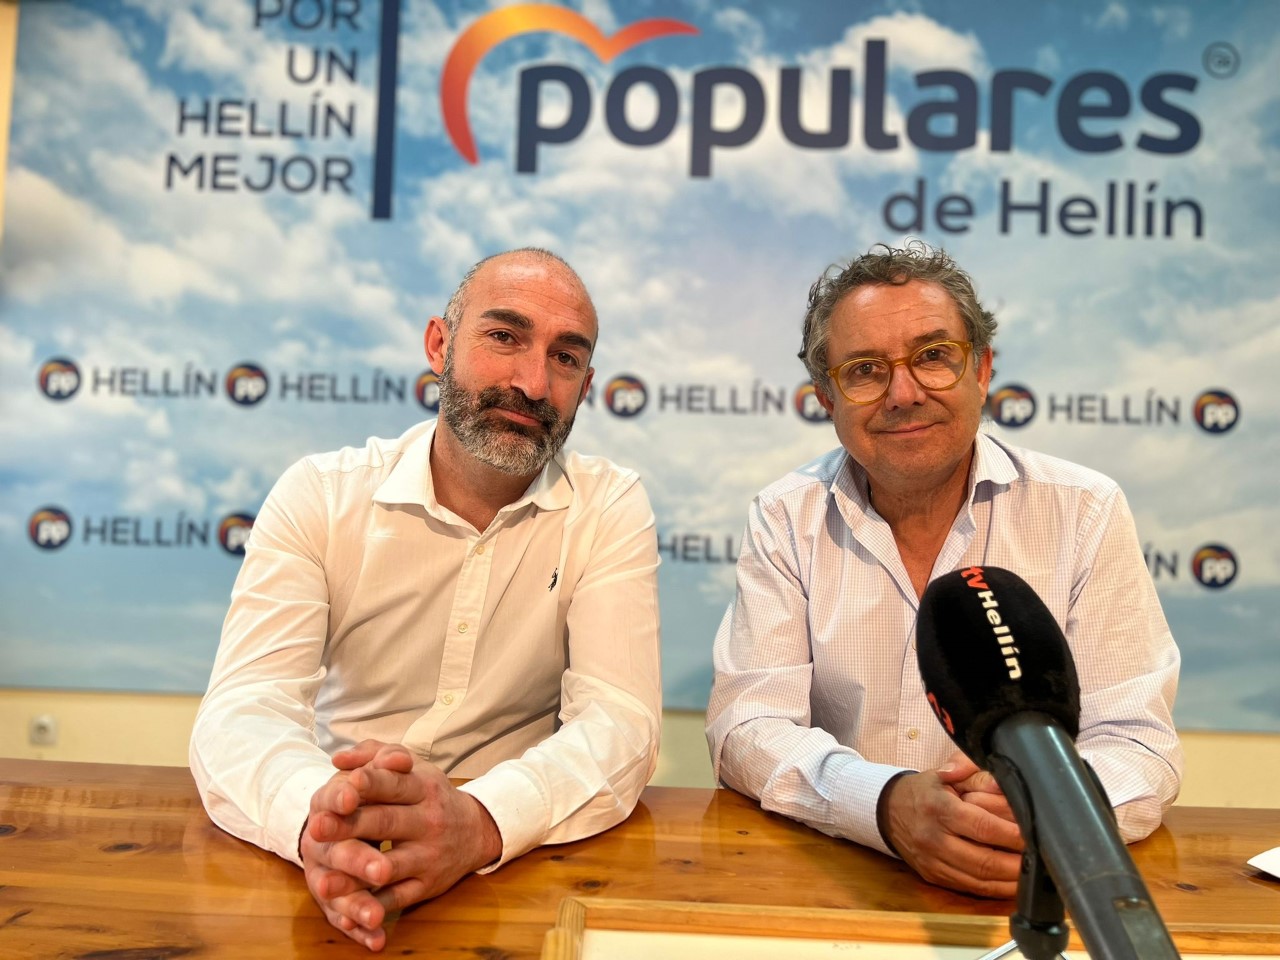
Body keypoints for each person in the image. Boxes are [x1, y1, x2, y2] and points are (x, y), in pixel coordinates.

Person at [191, 248, 661, 951]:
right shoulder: (320, 495)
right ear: (439, 345)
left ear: (586, 385)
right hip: (331, 844)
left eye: (565, 358)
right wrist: (322, 824)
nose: (532, 382)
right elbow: (242, 709)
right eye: (503, 336)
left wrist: (480, 821)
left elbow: (620, 722)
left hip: (512, 868)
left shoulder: (609, 507)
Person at [705, 241, 1182, 899]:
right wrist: (883, 803)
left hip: (1036, 883)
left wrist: (1039, 806)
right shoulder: (786, 516)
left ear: (981, 370)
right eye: (865, 370)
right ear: (826, 398)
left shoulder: (1083, 510)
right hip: (844, 885)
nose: (903, 394)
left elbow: (1138, 744)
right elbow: (748, 728)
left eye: (933, 356)